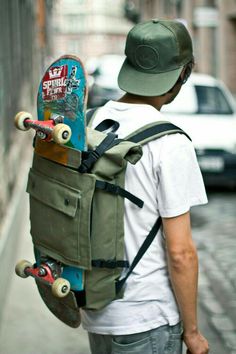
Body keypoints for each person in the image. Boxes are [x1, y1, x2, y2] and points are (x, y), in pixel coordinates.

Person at [81, 19, 209, 354]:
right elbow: (180, 253)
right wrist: (193, 333)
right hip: (147, 318)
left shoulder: (91, 121)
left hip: (96, 310)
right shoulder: (169, 142)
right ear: (182, 74)